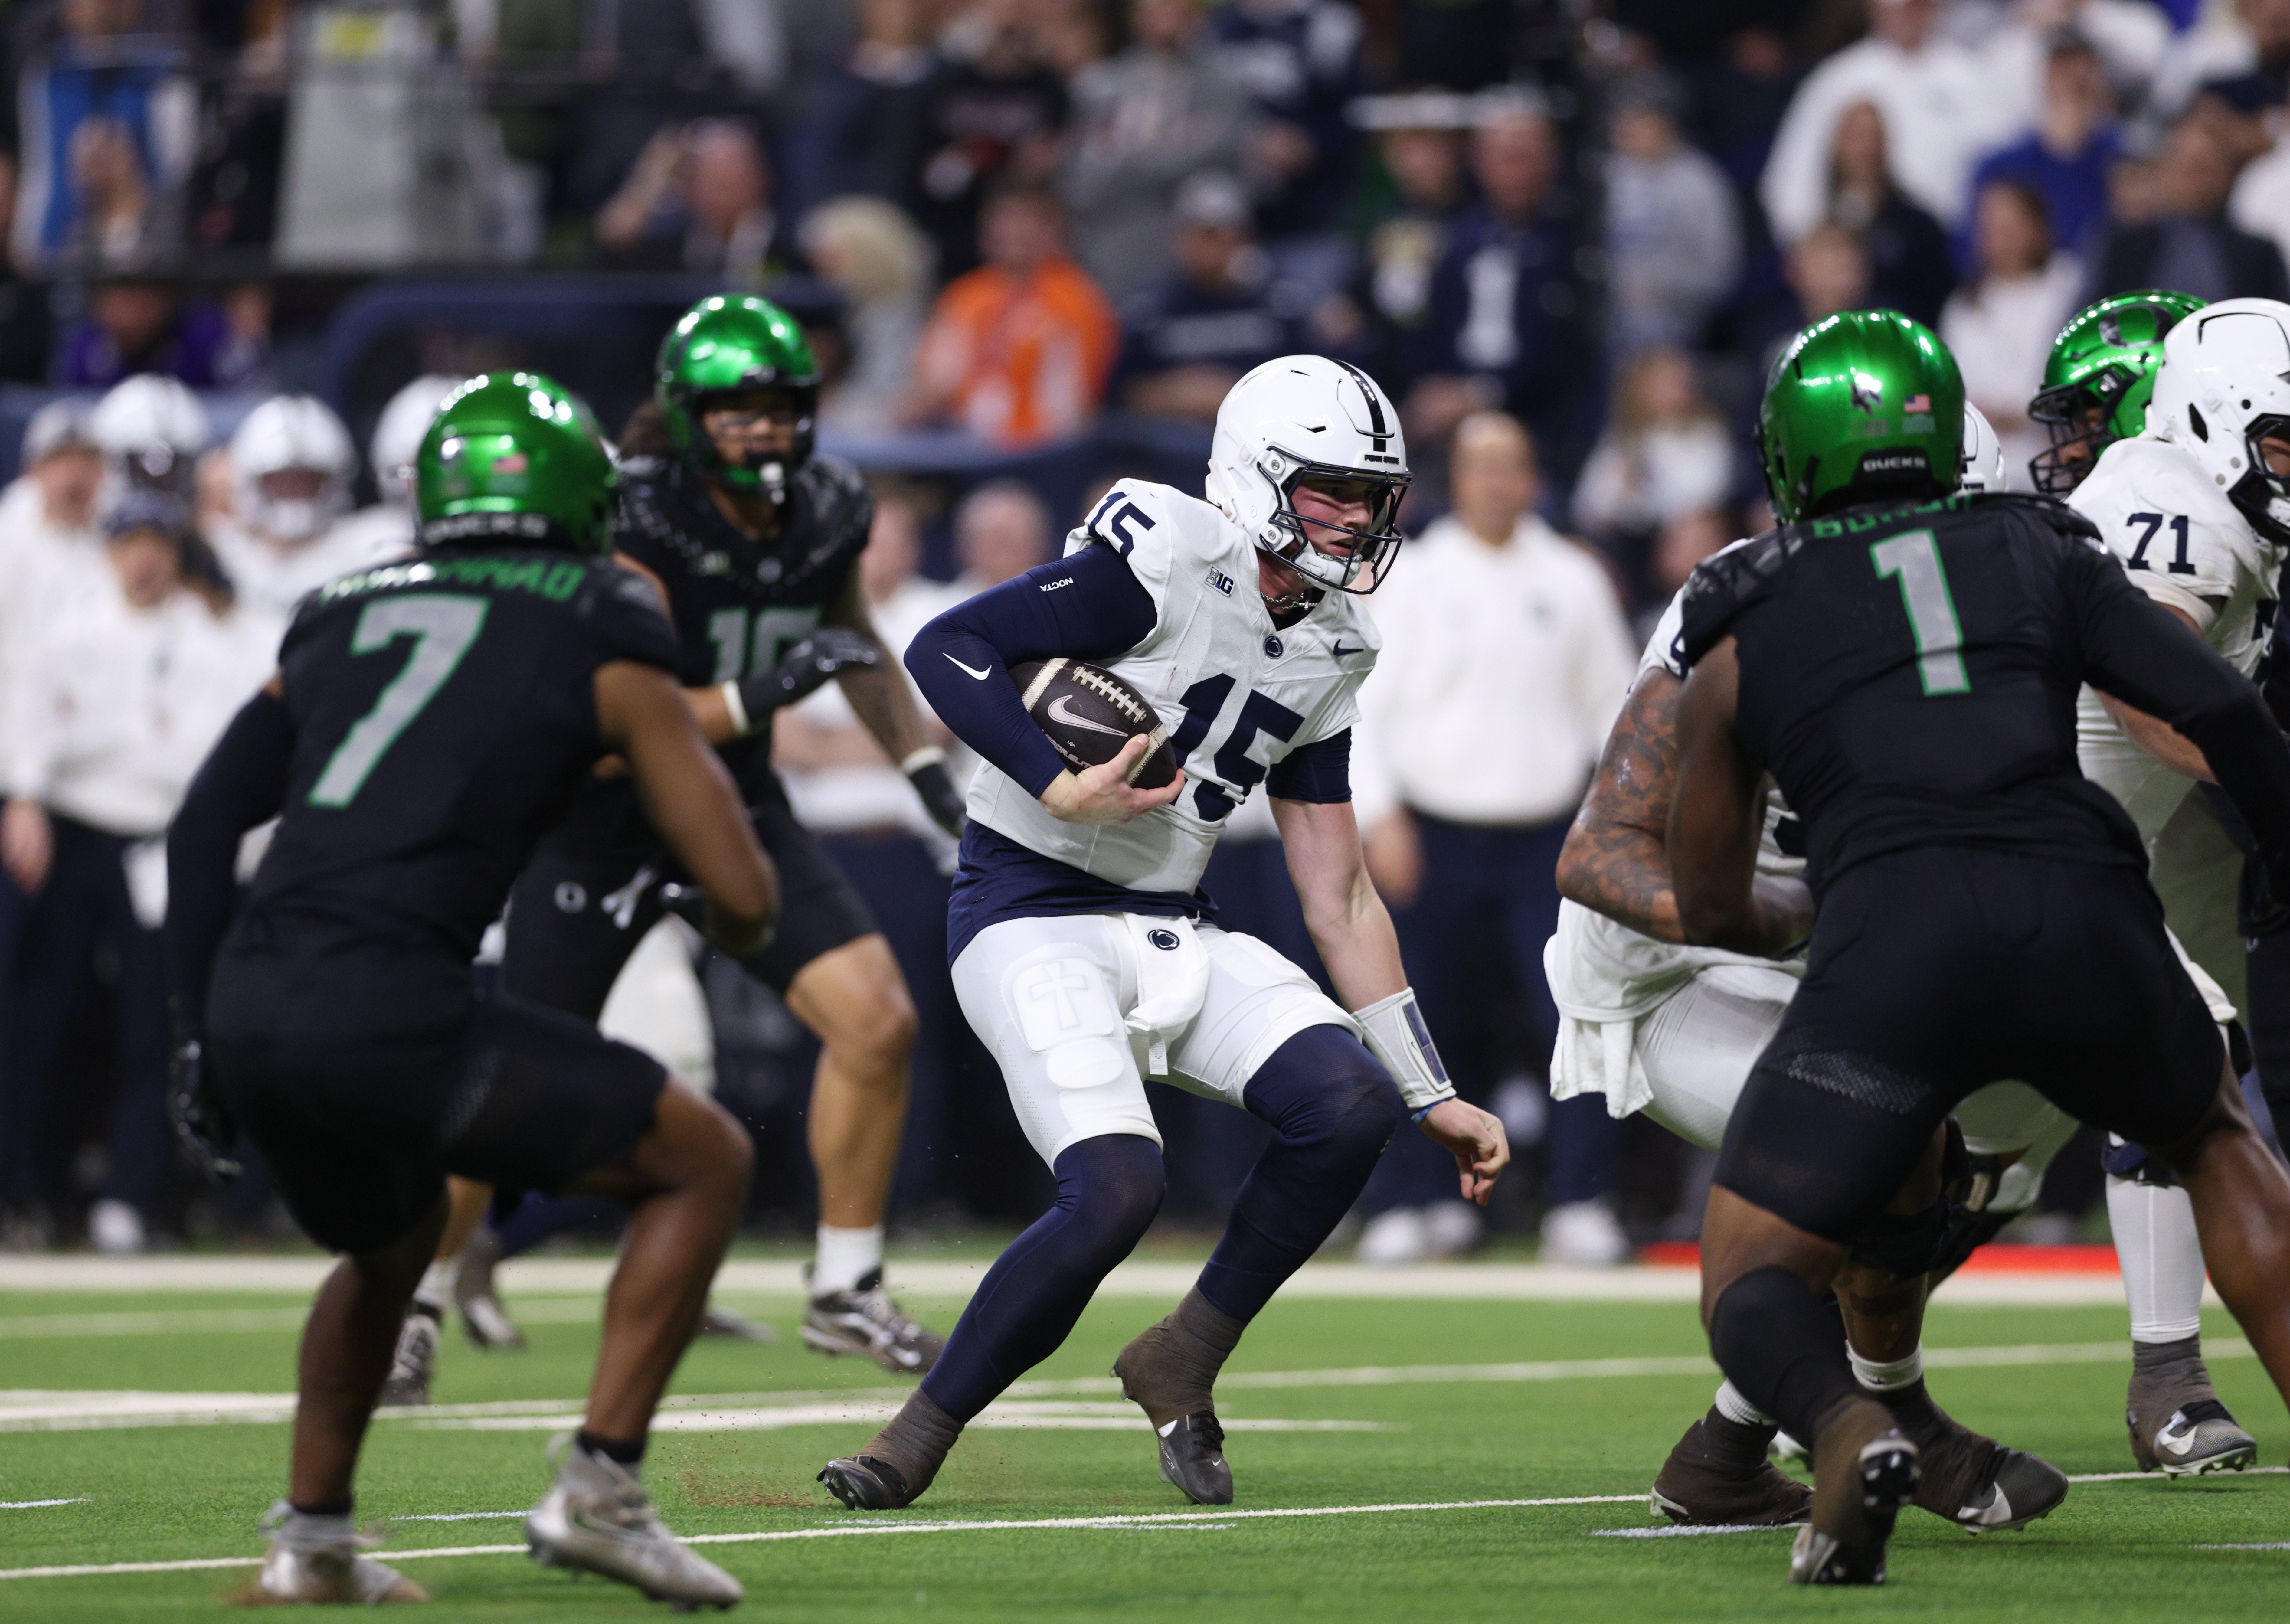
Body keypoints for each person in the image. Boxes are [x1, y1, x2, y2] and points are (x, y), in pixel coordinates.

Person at [817, 354, 1509, 1511]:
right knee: (1117, 1189)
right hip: (1025, 906)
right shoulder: (1169, 557)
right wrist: (1050, 780)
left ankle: (1183, 1351)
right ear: (1255, 478)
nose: (1356, 518)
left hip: (1172, 918)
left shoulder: (1340, 642)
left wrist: (1428, 1086)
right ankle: (916, 1432)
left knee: (1348, 1106)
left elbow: (1336, 892)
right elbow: (950, 647)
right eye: (1330, 488)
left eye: (1371, 495)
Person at [1666, 309, 2290, 1585]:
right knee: (2218, 1144)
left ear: (1788, 458)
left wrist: (1797, 924)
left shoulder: (1741, 617)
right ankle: (2169, 1376)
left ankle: (1847, 1426)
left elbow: (1707, 894)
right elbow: (2215, 703)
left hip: (1893, 941)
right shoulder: (2039, 541)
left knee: (1745, 1267)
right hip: (2079, 906)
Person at [164, 371, 776, 1606]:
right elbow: (746, 894)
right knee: (703, 1158)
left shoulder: (341, 605)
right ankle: (601, 1487)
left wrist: (195, 1036)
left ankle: (314, 1541)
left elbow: (203, 821)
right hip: (389, 998)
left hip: (253, 999)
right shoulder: (603, 611)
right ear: (581, 496)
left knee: (388, 1243)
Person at [1548, 402, 2075, 1535]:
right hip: (1672, 972)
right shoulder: (1738, 611)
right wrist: (1773, 915)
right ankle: (1896, 1425)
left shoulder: (1992, 624)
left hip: (1834, 964)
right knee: (1881, 1140)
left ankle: (1732, 1450)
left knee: (1986, 1143)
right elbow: (1596, 852)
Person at [483, 296, 962, 1376]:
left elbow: (852, 639)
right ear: (687, 414)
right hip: (603, 816)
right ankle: (420, 1287)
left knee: (878, 1021)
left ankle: (845, 1284)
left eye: (780, 406)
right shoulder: (636, 515)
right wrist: (755, 699)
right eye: (737, 409)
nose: (763, 429)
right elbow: (620, 709)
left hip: (730, 813)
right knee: (509, 1076)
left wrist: (923, 770)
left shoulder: (829, 506)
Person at [2055, 296, 2290, 1474]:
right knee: (2184, 1061)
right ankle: (2165, 1379)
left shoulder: (2236, 501)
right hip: (2022, 838)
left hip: (2124, 835)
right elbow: (2150, 689)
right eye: (2280, 444)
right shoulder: (2163, 498)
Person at [1353, 412, 1636, 1265]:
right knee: (1419, 1022)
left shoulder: (1574, 578)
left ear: (1532, 478)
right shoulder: (1412, 578)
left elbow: (1615, 714)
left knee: (1572, 1016)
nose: (1497, 482)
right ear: (1458, 478)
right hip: (1430, 829)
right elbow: (1359, 705)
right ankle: (1417, 1201)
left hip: (1547, 838)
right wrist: (1379, 815)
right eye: (1481, 467)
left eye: (1512, 466)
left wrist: (1605, 825)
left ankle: (1582, 1201)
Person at [2, 490, 273, 1251]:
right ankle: (29, 1191)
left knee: (155, 1028)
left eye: (158, 542)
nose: (144, 558)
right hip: (80, 835)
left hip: (165, 841)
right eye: (131, 543)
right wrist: (25, 799)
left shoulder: (217, 633)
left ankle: (138, 1195)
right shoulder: (73, 629)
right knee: (47, 1021)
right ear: (111, 551)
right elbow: (32, 730)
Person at [1759, 0, 2025, 249]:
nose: (1905, 18)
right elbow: (1790, 182)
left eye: (1915, 6)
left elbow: (2007, 170)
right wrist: (1817, 255)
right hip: (1852, 254)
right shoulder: (1836, 81)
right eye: (1896, 8)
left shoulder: (1972, 78)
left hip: (1952, 249)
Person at [1060, 0, 1255, 304]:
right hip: (1120, 239)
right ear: (1136, 18)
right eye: (1155, 13)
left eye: (1178, 13)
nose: (1166, 24)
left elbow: (1231, 152)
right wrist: (1183, 146)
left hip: (1195, 242)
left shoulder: (1223, 82)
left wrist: (1133, 157)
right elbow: (1085, 183)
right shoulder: (1103, 86)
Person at [903, 183, 1120, 448]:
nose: (1013, 230)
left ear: (1054, 231)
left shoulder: (1080, 301)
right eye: (1004, 219)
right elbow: (934, 382)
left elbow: (1076, 403)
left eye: (1026, 220)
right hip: (962, 444)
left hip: (1042, 451)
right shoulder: (964, 296)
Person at [1111, 173, 1311, 425]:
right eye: (1202, 233)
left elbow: (1310, 383)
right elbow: (1117, 395)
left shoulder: (1280, 306)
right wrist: (1173, 394)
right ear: (1178, 236)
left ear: (1244, 237)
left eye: (1222, 233)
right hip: (1172, 443)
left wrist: (1230, 394)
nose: (1211, 246)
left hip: (1263, 436)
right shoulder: (1147, 312)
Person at [1940, 180, 2085, 488]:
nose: (2001, 239)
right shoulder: (1963, 305)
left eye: (2011, 227)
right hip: (1981, 475)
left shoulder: (2070, 286)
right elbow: (1953, 392)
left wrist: (2020, 413)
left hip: (2057, 468)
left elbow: (2077, 381)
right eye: (1991, 228)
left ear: (2038, 228)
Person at [207, 395, 401, 624]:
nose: (294, 494)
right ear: (249, 483)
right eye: (280, 482)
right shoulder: (221, 548)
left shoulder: (372, 543)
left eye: (307, 481)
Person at [1603, 70, 1741, 359]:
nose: (1635, 128)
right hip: (1604, 328)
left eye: (1646, 118)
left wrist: (1656, 286)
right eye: (1627, 118)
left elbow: (1721, 272)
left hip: (1679, 331)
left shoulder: (1700, 181)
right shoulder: (1599, 177)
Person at [2086, 113, 2290, 304]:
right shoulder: (2124, 246)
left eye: (2204, 169)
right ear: (2165, 169)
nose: (2192, 180)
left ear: (2227, 176)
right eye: (2184, 167)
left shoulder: (2259, 256)